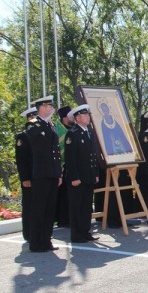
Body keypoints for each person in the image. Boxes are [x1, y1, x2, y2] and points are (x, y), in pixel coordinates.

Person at [26, 95, 62, 252]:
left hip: (52, 173)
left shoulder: (51, 125)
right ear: (40, 108)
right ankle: (36, 242)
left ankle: (46, 240)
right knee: (39, 209)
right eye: (48, 106)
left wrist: (58, 173)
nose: (51, 109)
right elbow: (34, 150)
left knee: (49, 210)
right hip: (40, 174)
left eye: (52, 106)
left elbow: (56, 153)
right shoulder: (33, 125)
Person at [64, 105, 100, 243]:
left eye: (88, 115)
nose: (88, 117)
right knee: (77, 207)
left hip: (89, 176)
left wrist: (95, 173)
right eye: (85, 115)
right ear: (78, 118)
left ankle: (85, 232)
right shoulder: (72, 134)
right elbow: (70, 158)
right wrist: (74, 177)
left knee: (86, 206)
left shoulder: (88, 132)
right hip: (78, 177)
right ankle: (77, 234)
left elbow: (93, 155)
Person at [14, 107, 38, 242]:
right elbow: (21, 160)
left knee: (38, 204)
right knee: (29, 205)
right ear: (28, 118)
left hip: (39, 176)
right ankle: (28, 233)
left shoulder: (39, 134)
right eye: (33, 116)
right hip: (29, 176)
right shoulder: (22, 136)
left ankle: (37, 231)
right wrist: (25, 178)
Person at [54, 105, 73, 227]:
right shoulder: (57, 129)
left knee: (69, 194)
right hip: (60, 166)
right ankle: (62, 219)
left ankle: (68, 218)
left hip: (71, 166)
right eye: (71, 116)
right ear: (65, 118)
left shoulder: (73, 128)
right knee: (61, 195)